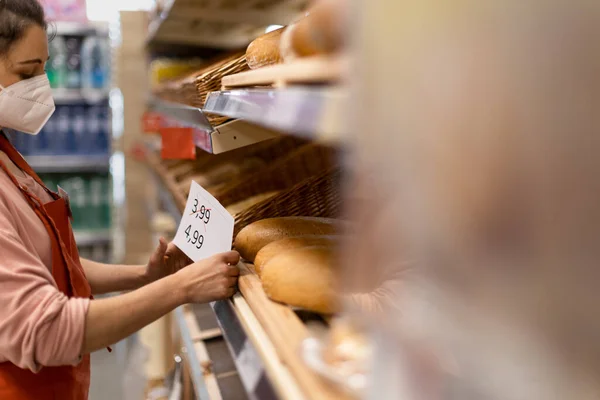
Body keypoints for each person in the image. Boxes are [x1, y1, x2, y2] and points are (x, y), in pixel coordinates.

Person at [0, 1, 240, 398]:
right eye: (28, 73)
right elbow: (46, 329)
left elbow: (48, 263)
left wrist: (142, 278)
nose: (42, 85)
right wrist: (181, 288)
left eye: (43, 68)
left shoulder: (7, 152)